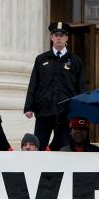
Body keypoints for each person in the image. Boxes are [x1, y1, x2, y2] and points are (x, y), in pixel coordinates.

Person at [24, 22, 85, 150]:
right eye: (55, 35)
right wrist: (29, 106)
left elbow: (81, 87)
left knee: (65, 148)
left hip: (65, 113)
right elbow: (33, 83)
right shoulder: (41, 59)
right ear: (51, 37)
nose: (58, 38)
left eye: (61, 35)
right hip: (44, 111)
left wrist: (80, 110)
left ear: (66, 38)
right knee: (39, 147)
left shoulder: (75, 61)